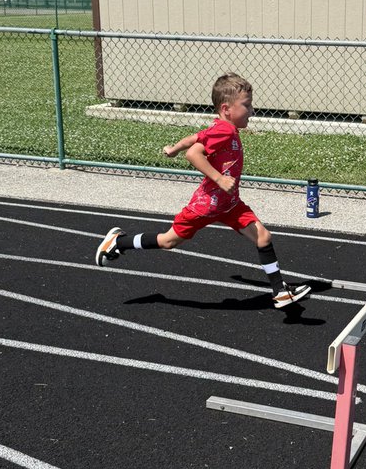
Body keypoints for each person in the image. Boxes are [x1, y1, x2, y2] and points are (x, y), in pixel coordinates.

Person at [95, 72, 313, 307]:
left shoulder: (221, 128)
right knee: (168, 241)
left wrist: (174, 148)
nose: (252, 110)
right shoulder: (224, 131)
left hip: (229, 205)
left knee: (263, 236)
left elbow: (195, 139)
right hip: (206, 206)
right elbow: (194, 153)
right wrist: (219, 178)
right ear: (226, 109)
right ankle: (119, 242)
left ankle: (279, 291)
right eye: (247, 105)